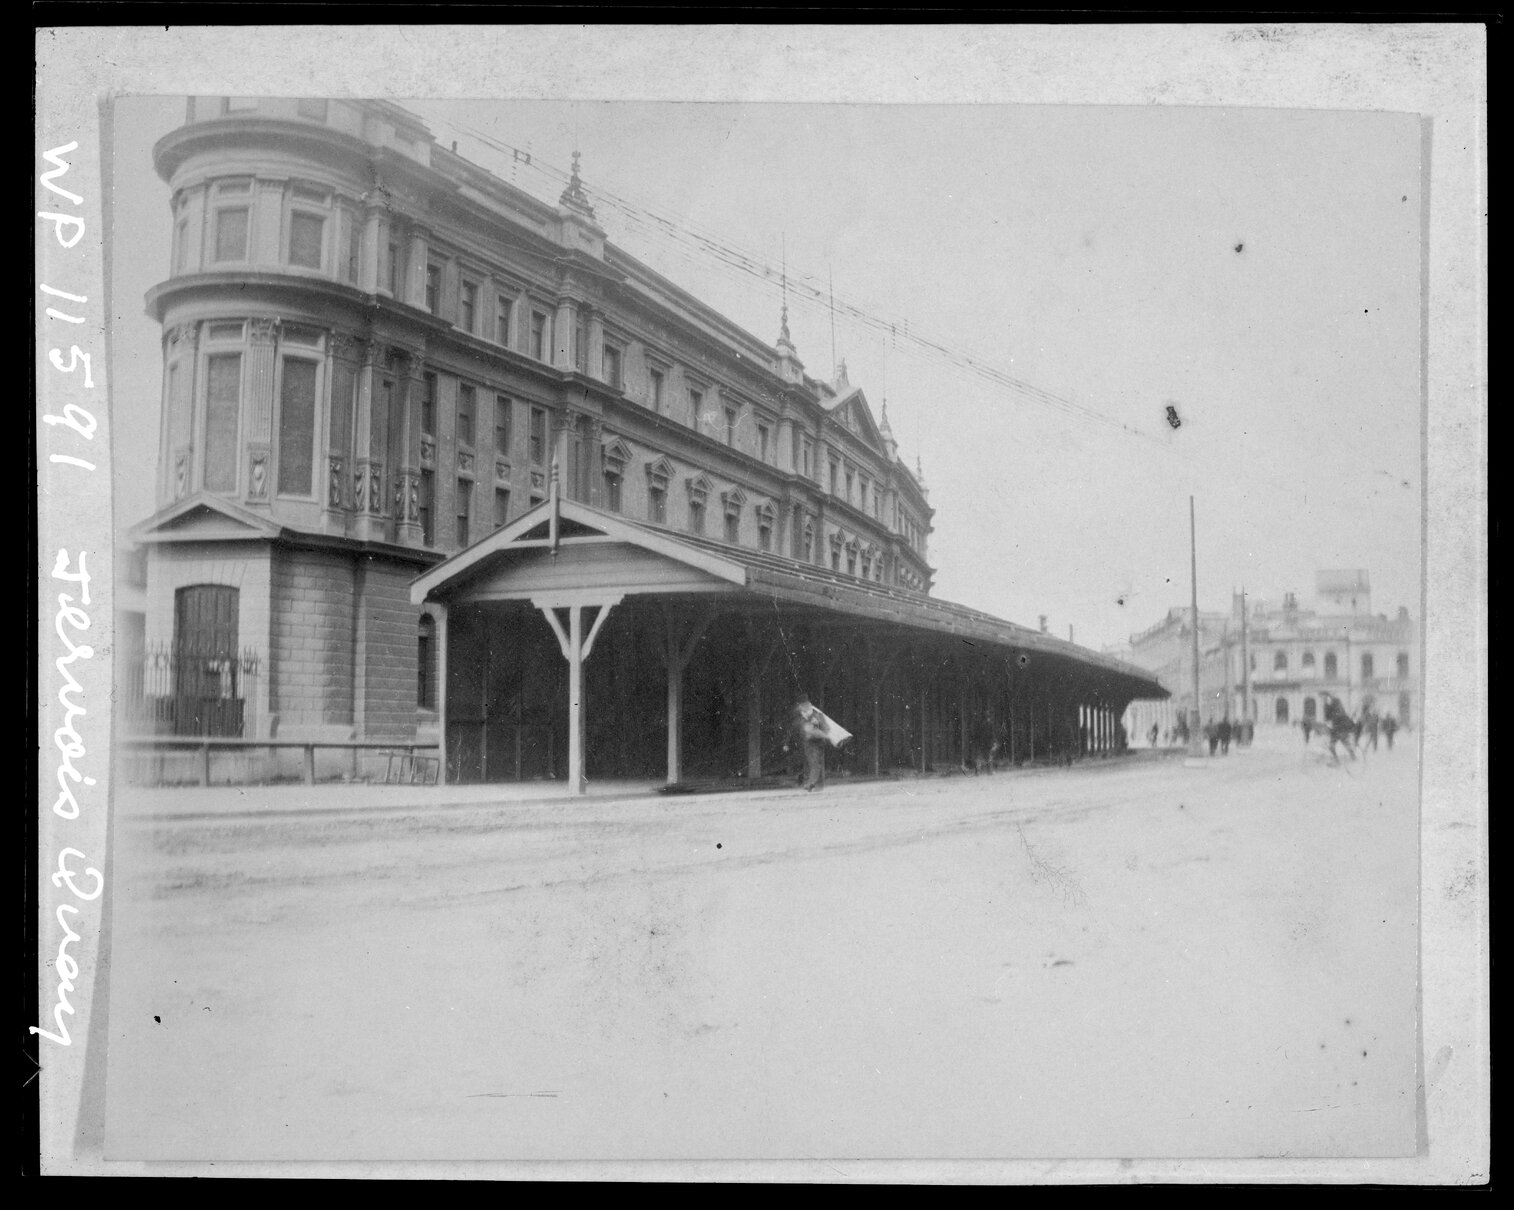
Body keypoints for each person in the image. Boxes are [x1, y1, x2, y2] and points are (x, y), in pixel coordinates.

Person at [787, 695, 828, 791]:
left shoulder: (818, 716)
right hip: (807, 744)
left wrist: (817, 724)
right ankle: (812, 784)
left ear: (810, 708)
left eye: (806, 711)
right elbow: (795, 729)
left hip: (817, 743)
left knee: (815, 763)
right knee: (809, 763)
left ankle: (812, 784)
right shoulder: (801, 719)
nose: (804, 714)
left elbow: (826, 729)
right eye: (803, 712)